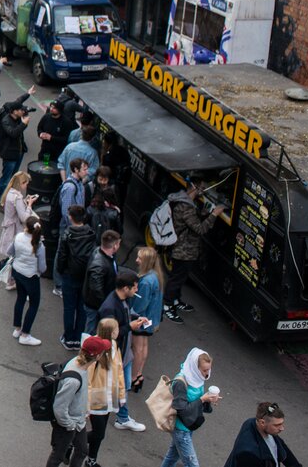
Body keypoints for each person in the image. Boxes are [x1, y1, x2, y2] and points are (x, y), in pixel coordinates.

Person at [45, 336, 112, 467]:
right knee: (58, 455)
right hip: (68, 423)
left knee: (82, 451)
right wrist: (69, 425)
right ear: (97, 356)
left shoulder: (80, 363)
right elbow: (59, 407)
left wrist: (84, 410)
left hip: (77, 420)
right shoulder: (73, 380)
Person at [97, 269, 149, 435]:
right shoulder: (110, 308)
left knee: (123, 386)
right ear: (126, 288)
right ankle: (120, 417)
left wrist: (136, 318)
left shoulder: (122, 301)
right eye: (134, 287)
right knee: (121, 386)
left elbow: (126, 315)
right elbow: (110, 334)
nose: (136, 290)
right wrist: (130, 327)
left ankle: (121, 416)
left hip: (124, 354)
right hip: (116, 355)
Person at [164, 183, 223, 323]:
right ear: (193, 187)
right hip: (183, 250)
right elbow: (200, 229)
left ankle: (175, 300)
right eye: (202, 187)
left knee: (179, 277)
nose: (204, 190)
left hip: (181, 247)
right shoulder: (186, 207)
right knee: (176, 278)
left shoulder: (184, 200)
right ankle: (167, 305)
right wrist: (214, 215)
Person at [161, 348, 220, 467]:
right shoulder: (181, 383)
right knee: (192, 464)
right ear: (194, 367)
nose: (207, 373)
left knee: (172, 458)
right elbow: (182, 410)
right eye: (204, 370)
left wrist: (209, 400)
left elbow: (198, 404)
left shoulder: (197, 378)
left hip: (188, 426)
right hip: (181, 429)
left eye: (209, 369)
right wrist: (203, 399)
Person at [86, 318, 127, 465]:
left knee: (99, 434)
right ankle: (72, 442)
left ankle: (91, 460)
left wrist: (121, 394)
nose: (118, 331)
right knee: (99, 433)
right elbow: (88, 378)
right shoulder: (94, 348)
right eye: (116, 329)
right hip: (96, 399)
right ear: (110, 332)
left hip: (109, 398)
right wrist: (86, 404)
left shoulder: (115, 347)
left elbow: (120, 371)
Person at [56, 205, 96, 350]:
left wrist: (60, 271)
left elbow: (62, 255)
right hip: (84, 276)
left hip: (70, 275)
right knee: (82, 308)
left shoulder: (67, 234)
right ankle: (79, 338)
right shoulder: (91, 233)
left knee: (69, 308)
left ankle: (68, 338)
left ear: (71, 217)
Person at [129, 247, 164, 392]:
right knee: (143, 347)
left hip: (141, 319)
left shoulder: (145, 282)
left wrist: (132, 316)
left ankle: (132, 378)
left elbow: (140, 304)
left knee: (137, 348)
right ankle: (138, 374)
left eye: (139, 258)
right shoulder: (156, 276)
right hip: (150, 320)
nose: (136, 260)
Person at [223, 402, 300, 467]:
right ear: (262, 422)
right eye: (277, 425)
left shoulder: (254, 423)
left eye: (281, 424)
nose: (282, 428)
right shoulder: (248, 453)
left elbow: (280, 444)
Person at [8, 215, 45, 345]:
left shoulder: (18, 237)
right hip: (31, 276)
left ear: (26, 227)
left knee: (20, 298)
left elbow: (10, 251)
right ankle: (25, 334)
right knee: (34, 304)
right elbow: (42, 267)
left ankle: (17, 328)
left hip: (17, 271)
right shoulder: (39, 246)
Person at [0, 172, 37, 289]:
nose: (26, 186)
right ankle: (10, 281)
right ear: (21, 184)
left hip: (8, 226)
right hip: (15, 229)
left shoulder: (9, 192)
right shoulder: (18, 197)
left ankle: (9, 279)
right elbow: (24, 218)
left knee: (11, 254)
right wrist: (30, 205)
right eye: (26, 183)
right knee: (14, 256)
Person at [83, 229, 122, 335]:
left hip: (98, 303)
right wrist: (107, 305)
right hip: (96, 306)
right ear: (114, 246)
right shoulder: (99, 265)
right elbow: (96, 289)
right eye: (118, 244)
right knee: (91, 331)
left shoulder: (105, 255)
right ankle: (87, 350)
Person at [0, 98, 33, 203]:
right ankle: (0, 201)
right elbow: (13, 133)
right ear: (14, 111)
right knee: (6, 179)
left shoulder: (18, 118)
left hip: (18, 152)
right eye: (21, 110)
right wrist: (23, 124)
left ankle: (8, 198)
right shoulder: (6, 121)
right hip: (9, 154)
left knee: (13, 177)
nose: (23, 111)